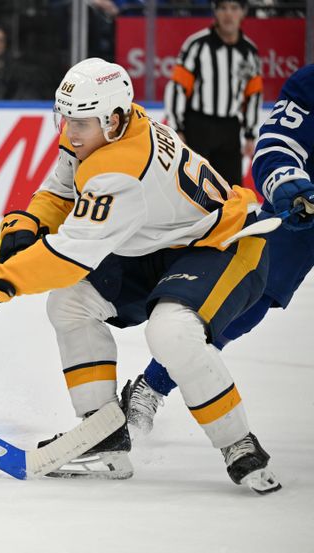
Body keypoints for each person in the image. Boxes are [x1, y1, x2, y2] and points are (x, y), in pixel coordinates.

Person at [0, 58, 281, 494]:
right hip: (160, 244)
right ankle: (103, 435)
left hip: (224, 243)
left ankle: (239, 443)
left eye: (81, 122)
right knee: (70, 303)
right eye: (66, 119)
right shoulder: (103, 129)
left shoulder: (121, 167)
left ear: (114, 120)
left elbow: (69, 256)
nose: (71, 132)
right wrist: (29, 220)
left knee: (171, 332)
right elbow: (62, 188)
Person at [128, 64, 314, 434]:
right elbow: (279, 144)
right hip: (307, 209)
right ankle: (151, 385)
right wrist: (290, 184)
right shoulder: (310, 84)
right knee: (246, 299)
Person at [164, 0, 262, 186]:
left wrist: (250, 133)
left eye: (234, 8)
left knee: (231, 189)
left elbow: (254, 94)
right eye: (223, 8)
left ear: (243, 12)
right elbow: (178, 87)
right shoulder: (197, 45)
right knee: (192, 187)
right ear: (215, 12)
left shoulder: (249, 52)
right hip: (197, 126)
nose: (228, 14)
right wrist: (178, 128)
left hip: (230, 129)